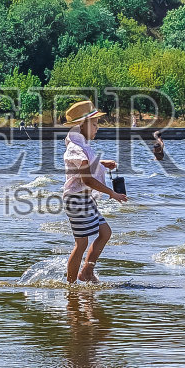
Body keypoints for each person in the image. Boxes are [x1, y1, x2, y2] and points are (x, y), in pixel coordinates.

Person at [61, 101, 126, 284]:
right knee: (81, 243)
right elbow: (87, 179)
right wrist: (112, 193)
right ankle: (71, 285)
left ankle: (87, 271)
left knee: (105, 233)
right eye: (95, 124)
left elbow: (85, 167)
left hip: (83, 199)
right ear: (82, 125)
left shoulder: (81, 144)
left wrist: (102, 163)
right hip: (76, 199)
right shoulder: (76, 147)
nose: (98, 128)